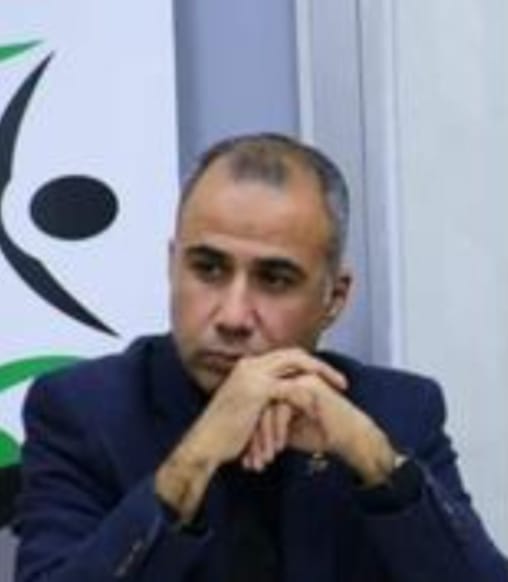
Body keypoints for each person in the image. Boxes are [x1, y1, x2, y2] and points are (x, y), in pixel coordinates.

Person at [14, 133, 507, 581]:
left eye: (274, 279)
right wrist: (193, 460)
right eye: (208, 269)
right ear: (172, 266)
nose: (232, 316)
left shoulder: (398, 410)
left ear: (334, 298)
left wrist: (376, 463)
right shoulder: (84, 412)